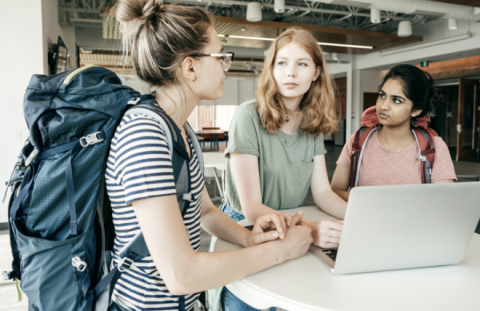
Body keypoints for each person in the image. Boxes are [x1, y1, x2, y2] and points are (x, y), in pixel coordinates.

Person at [106, 1, 313, 310]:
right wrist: (282, 250)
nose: (225, 66)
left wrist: (248, 238)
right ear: (190, 67)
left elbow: (205, 212)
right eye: (220, 57)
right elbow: (181, 275)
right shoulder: (145, 134)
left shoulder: (180, 129)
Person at [213, 27, 347, 311]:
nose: (291, 73)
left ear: (316, 73)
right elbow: (251, 207)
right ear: (271, 69)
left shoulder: (312, 123)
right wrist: (311, 230)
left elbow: (322, 192)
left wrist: (360, 219)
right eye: (282, 63)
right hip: (245, 228)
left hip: (293, 226)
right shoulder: (248, 116)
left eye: (302, 64)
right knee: (250, 304)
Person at [331, 64, 457, 203]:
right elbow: (334, 192)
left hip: (414, 224)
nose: (383, 106)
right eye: (382, 96)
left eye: (396, 100)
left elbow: (443, 201)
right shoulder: (357, 141)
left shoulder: (434, 147)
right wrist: (375, 203)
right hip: (367, 222)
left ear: (416, 110)